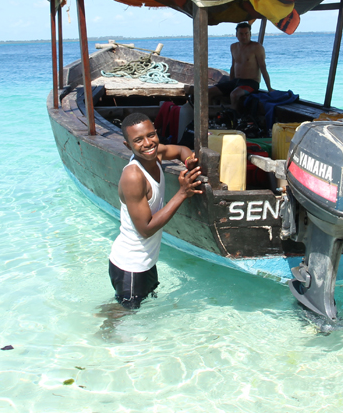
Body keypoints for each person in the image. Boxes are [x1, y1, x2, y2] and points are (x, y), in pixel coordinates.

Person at [109, 113, 202, 309]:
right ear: (128, 146)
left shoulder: (156, 153)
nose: (148, 143)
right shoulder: (133, 176)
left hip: (146, 262)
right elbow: (146, 228)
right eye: (138, 140)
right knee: (123, 320)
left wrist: (190, 163)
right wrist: (182, 193)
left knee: (137, 311)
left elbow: (182, 150)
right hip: (131, 266)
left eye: (151, 135)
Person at [209, 21, 272, 113]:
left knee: (234, 95)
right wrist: (230, 82)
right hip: (236, 81)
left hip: (251, 83)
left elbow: (263, 67)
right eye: (241, 34)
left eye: (246, 33)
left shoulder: (256, 47)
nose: (244, 36)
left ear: (250, 34)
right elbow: (233, 66)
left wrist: (269, 88)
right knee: (208, 92)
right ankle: (210, 117)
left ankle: (233, 118)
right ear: (236, 35)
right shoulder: (233, 47)